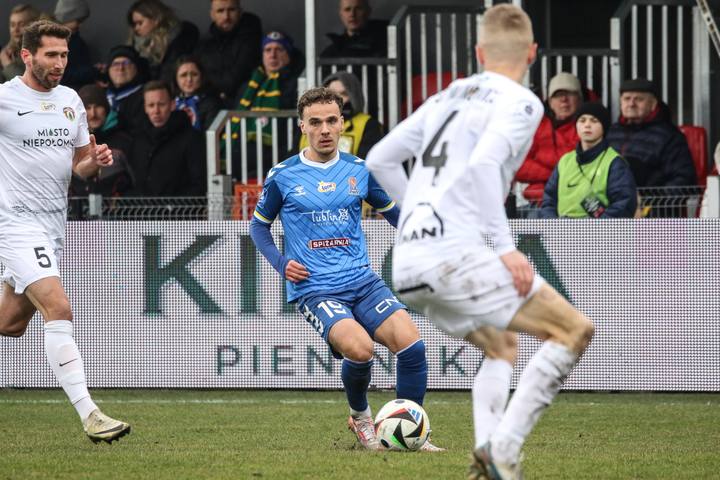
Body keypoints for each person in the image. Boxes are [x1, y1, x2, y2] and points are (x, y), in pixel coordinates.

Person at [366, 5, 594, 478]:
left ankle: (490, 462)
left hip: (408, 262)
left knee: (501, 345)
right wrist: (506, 248)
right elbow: (486, 164)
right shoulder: (522, 101)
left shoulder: (446, 95)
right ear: (532, 53)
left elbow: (379, 160)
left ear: (478, 52)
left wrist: (414, 222)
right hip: (454, 255)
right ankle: (503, 450)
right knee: (573, 331)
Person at [249, 87, 442, 452]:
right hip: (316, 288)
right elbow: (258, 227)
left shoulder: (359, 170)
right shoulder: (283, 175)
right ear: (302, 126)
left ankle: (413, 432)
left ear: (341, 124)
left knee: (413, 348)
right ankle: (362, 418)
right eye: (315, 122)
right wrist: (281, 263)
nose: (324, 129)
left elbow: (395, 214)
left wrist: (426, 236)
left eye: (331, 121)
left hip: (363, 281)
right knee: (361, 349)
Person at [0, 20, 130, 443]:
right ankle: (91, 415)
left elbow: (80, 167)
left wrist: (97, 160)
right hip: (15, 223)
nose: (59, 63)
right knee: (59, 309)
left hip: (53, 225)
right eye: (51, 55)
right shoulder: (5, 99)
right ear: (27, 56)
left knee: (10, 323)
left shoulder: (71, 100)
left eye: (64, 55)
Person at [539, 102, 637, 218]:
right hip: (561, 228)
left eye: (594, 121)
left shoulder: (615, 162)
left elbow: (623, 205)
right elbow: (549, 200)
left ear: (604, 127)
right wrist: (554, 225)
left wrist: (591, 228)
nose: (587, 125)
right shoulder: (565, 161)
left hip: (598, 230)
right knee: (529, 231)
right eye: (582, 120)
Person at [232, 31, 305, 180]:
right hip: (246, 162)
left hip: (281, 157)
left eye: (279, 49)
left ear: (288, 54)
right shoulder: (249, 86)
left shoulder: (297, 85)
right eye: (268, 50)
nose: (273, 55)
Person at [606, 78, 696, 188]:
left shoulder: (670, 136)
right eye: (627, 98)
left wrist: (650, 197)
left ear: (653, 104)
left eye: (639, 99)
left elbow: (683, 178)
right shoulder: (611, 132)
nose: (631, 104)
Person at [514, 72, 583, 206]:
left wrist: (541, 164)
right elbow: (519, 165)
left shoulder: (586, 126)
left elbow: (579, 166)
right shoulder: (537, 126)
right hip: (538, 201)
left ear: (579, 99)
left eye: (570, 93)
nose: (564, 99)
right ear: (550, 102)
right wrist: (554, 174)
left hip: (575, 202)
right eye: (557, 95)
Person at [129, 80, 206, 197]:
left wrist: (171, 205)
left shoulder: (192, 138)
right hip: (143, 208)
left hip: (181, 208)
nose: (156, 111)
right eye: (151, 105)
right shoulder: (138, 140)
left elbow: (199, 184)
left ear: (172, 105)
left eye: (161, 104)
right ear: (145, 108)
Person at [299, 72, 384, 159]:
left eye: (344, 94)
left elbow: (368, 162)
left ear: (354, 96)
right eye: (332, 94)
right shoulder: (307, 123)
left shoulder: (369, 125)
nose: (338, 99)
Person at [70, 84, 134, 199]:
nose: (93, 113)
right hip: (78, 209)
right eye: (88, 108)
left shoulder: (124, 142)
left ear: (106, 109)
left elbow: (137, 181)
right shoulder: (71, 143)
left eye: (98, 107)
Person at [195, 0, 262, 105]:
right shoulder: (203, 46)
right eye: (220, 11)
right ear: (212, 15)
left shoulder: (251, 39)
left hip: (245, 105)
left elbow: (233, 80)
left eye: (231, 10)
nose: (226, 17)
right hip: (210, 106)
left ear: (240, 12)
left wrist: (211, 81)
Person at [126, 0, 199, 81]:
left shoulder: (179, 40)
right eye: (134, 25)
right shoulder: (134, 48)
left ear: (156, 19)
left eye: (140, 23)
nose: (136, 28)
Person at [320, 0, 388, 58]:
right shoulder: (330, 53)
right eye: (347, 9)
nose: (352, 14)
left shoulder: (385, 43)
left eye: (358, 8)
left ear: (368, 11)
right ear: (341, 15)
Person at [53, 0, 97, 90]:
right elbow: (61, 74)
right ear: (66, 18)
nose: (81, 25)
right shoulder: (52, 42)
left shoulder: (77, 41)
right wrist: (93, 71)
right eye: (78, 21)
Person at [105, 45, 149, 132]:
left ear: (136, 68)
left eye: (126, 63)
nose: (121, 68)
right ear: (108, 69)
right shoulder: (101, 96)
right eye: (115, 64)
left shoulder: (146, 96)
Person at [172, 55, 222, 131]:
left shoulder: (212, 104)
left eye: (194, 74)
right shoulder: (171, 103)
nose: (189, 79)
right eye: (184, 75)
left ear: (202, 77)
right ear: (176, 79)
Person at [1, 4, 41, 83]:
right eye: (12, 25)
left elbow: (30, 85)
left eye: (21, 25)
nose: (16, 30)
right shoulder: (7, 53)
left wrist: (7, 64)